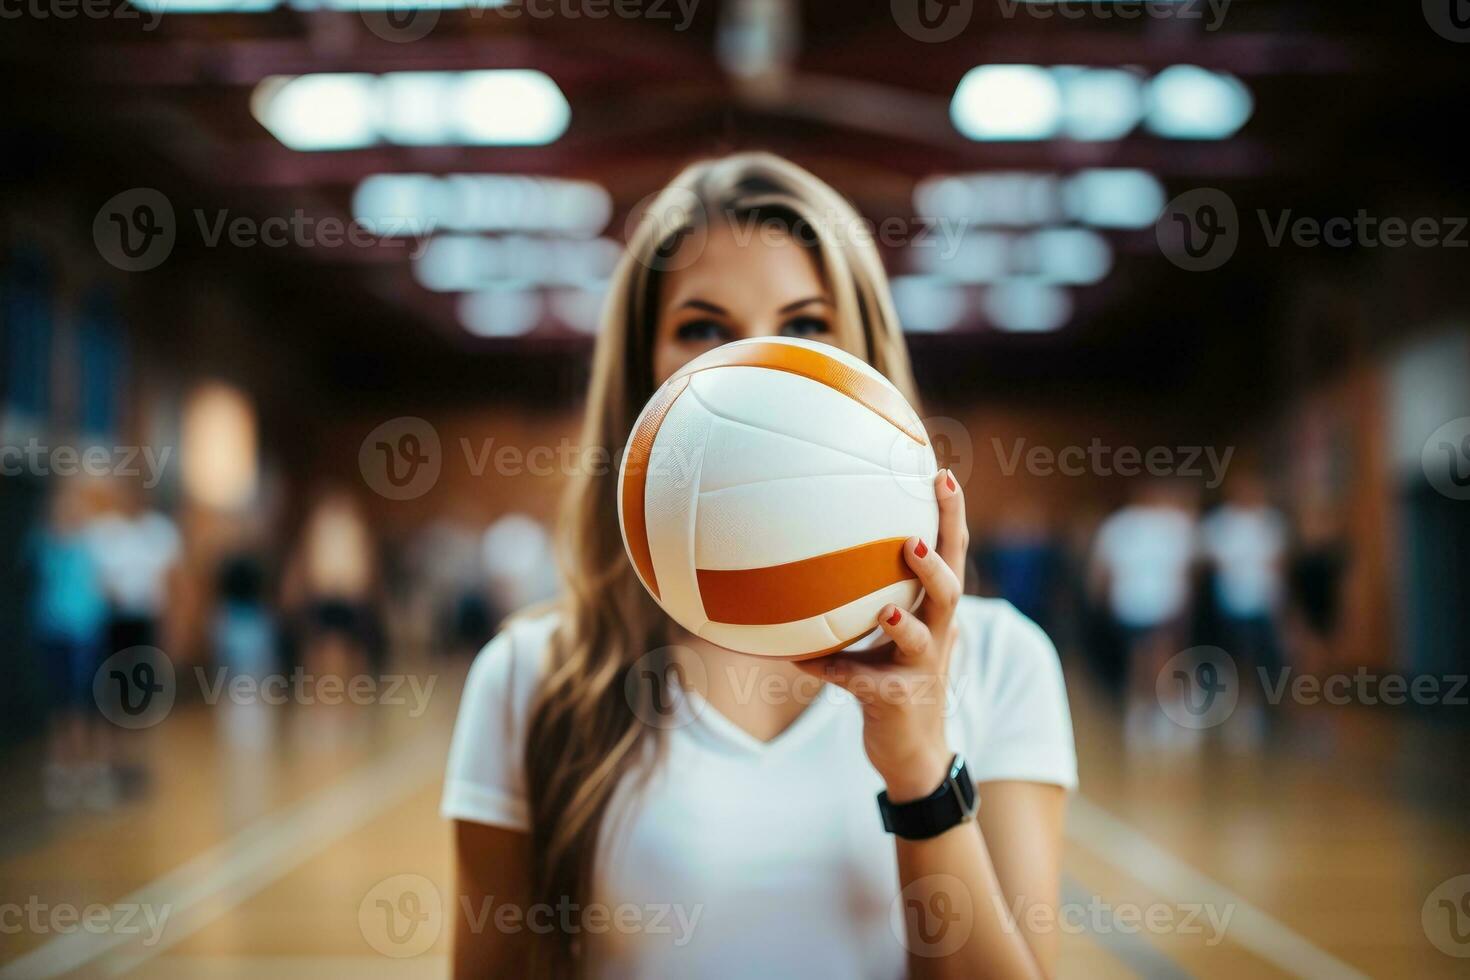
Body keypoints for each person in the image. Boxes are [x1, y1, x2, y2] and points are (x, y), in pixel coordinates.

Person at [443, 153, 1076, 978]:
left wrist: (920, 765)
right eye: (703, 328)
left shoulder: (1002, 662)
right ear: (643, 375)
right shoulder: (532, 678)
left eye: (807, 326)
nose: (757, 366)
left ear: (866, 361)